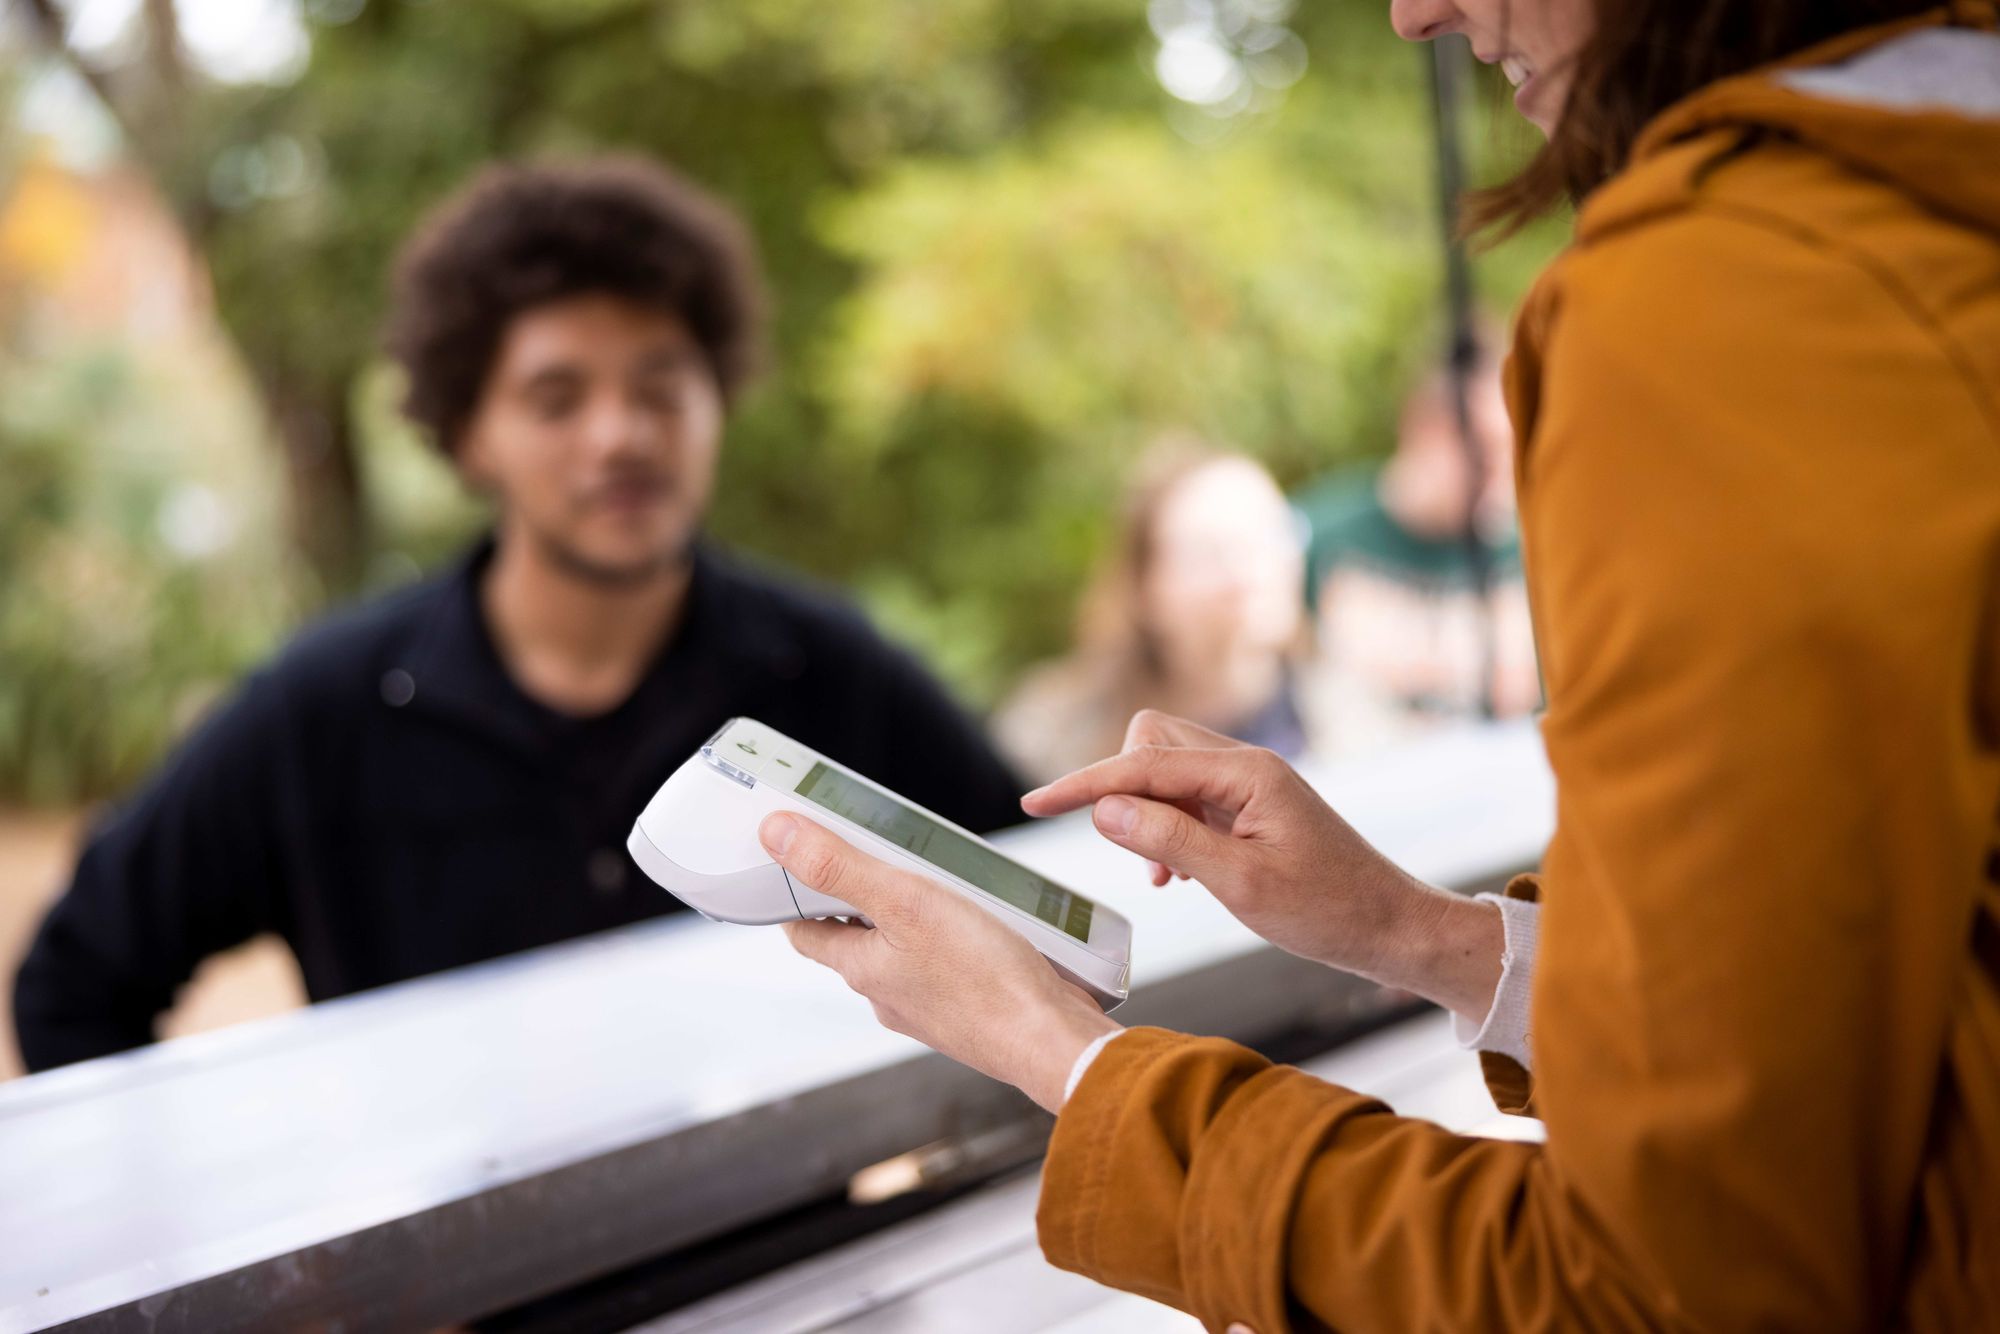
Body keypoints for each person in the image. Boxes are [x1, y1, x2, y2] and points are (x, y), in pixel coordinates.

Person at [748, 1, 2000, 1328]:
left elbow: (1666, 1296)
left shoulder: (1729, 301)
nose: (1416, 12)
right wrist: (1428, 937)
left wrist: (1070, 1061)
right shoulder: (1936, 205)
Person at [12, 158, 1024, 1074]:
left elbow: (1031, 895)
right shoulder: (318, 711)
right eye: (555, 397)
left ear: (717, 403)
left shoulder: (826, 670)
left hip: (788, 1251)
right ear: (468, 438)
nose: (621, 434)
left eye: (661, 386)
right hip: (437, 1280)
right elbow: (73, 980)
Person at [993, 446, 1319, 785]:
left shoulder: (1351, 706)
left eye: (1269, 535)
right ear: (1144, 588)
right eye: (1209, 552)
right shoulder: (1049, 734)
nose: (1248, 572)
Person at [1298, 355, 1541, 728]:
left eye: (1517, 447)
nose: (1504, 472)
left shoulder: (1534, 551)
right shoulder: (1320, 537)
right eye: (1487, 449)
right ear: (1423, 431)